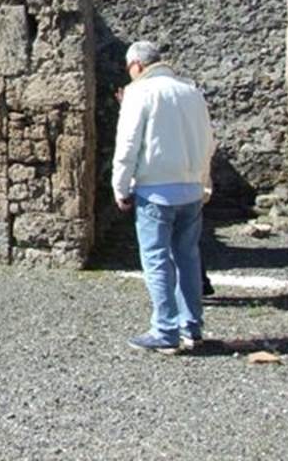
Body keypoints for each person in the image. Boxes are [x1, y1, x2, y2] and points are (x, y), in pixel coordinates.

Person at [113, 41, 215, 354]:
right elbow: (209, 140)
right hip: (191, 189)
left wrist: (120, 186)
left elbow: (128, 144)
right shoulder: (190, 91)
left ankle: (165, 330)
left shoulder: (139, 93)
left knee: (156, 260)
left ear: (137, 66)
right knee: (187, 258)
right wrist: (203, 180)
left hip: (155, 190)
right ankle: (191, 327)